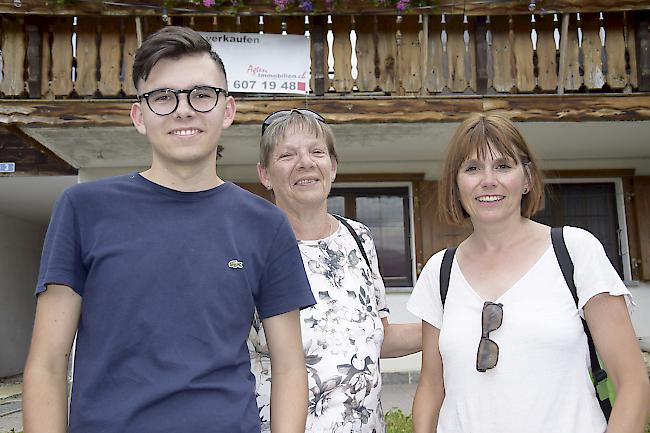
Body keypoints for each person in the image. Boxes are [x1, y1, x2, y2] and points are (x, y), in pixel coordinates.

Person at [22, 27, 315, 433]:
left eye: (201, 94)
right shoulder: (83, 209)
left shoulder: (265, 224)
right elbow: (47, 363)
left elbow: (288, 367)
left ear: (227, 110)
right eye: (163, 97)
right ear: (139, 116)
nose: (183, 110)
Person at [408, 113, 650, 433]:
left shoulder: (575, 251)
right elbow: (431, 387)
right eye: (472, 168)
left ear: (527, 179)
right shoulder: (439, 271)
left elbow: (632, 382)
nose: (488, 180)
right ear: (456, 183)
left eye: (503, 166)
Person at [248, 108, 422, 433]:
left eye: (317, 152)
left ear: (333, 166)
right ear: (265, 174)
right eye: (287, 155)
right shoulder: (249, 247)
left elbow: (376, 338)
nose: (305, 162)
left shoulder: (359, 238)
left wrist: (450, 325)